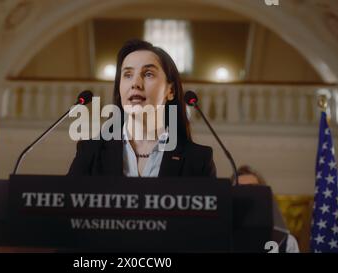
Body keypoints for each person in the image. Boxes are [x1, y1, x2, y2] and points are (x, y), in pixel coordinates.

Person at [68, 39, 216, 177]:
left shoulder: (198, 159)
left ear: (170, 91)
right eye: (127, 75)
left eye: (148, 74)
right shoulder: (90, 152)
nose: (135, 83)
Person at [237, 165, 300, 253]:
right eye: (239, 189)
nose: (247, 195)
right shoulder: (219, 239)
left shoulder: (284, 241)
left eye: (253, 188)